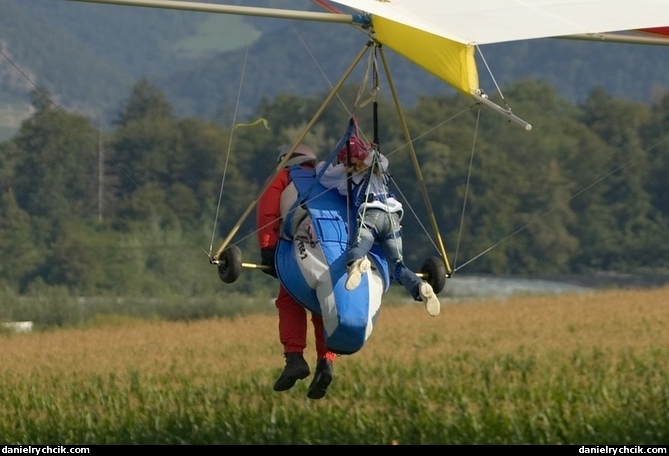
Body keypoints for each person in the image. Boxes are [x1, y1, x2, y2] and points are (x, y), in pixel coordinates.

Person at [316, 136, 441, 317]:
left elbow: (321, 172)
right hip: (393, 220)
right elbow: (380, 158)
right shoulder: (379, 170)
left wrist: (334, 163)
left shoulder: (344, 173)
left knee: (356, 250)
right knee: (398, 266)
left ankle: (358, 262)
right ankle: (420, 286)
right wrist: (368, 151)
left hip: (371, 216)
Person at [256, 143, 337, 400]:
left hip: (297, 243)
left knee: (290, 297)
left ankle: (294, 358)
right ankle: (326, 361)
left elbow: (268, 211)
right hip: (331, 246)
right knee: (323, 302)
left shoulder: (283, 176)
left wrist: (268, 249)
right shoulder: (328, 179)